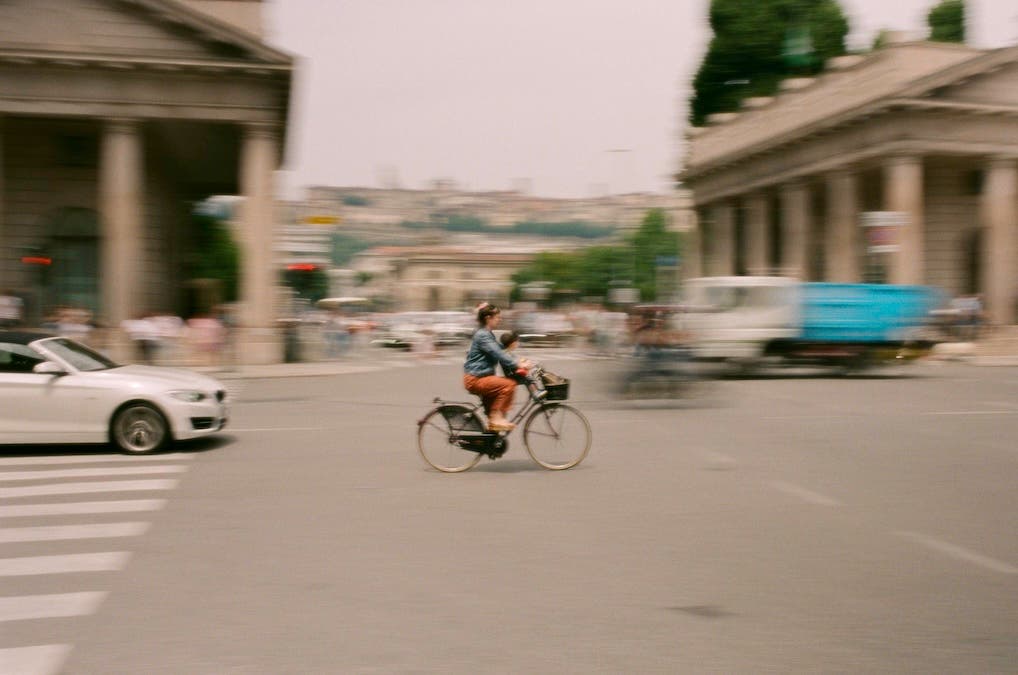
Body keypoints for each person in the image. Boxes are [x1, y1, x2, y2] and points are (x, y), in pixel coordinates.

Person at [463, 303, 531, 431]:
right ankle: (495, 419)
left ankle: (493, 430)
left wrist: (518, 360)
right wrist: (518, 364)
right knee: (508, 385)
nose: (500, 319)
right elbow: (498, 353)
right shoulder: (483, 335)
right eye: (497, 317)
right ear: (488, 318)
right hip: (475, 379)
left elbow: (502, 350)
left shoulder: (488, 334)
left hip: (482, 377)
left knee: (495, 418)